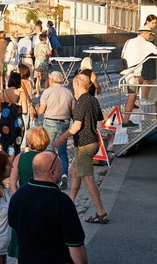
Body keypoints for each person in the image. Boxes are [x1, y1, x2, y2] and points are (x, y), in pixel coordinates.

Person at [8, 151, 87, 264]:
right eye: (61, 166)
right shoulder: (62, 201)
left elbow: (13, 223)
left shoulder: (18, 196)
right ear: (53, 172)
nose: (64, 169)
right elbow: (75, 245)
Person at [54, 74, 108, 224]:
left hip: (84, 145)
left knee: (88, 178)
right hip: (92, 142)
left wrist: (61, 138)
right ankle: (69, 205)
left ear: (78, 84)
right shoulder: (93, 100)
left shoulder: (81, 102)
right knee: (73, 171)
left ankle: (101, 212)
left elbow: (76, 126)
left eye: (73, 85)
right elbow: (98, 121)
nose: (73, 88)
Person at [7, 127, 51, 260]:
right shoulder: (49, 158)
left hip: (24, 202)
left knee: (20, 246)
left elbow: (12, 184)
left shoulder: (20, 157)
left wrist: (18, 197)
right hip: (44, 202)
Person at [121, 25, 157, 126]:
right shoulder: (145, 44)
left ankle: (141, 100)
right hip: (133, 74)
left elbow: (122, 55)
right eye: (150, 33)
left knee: (143, 80)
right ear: (144, 33)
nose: (151, 36)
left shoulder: (129, 41)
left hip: (126, 72)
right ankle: (125, 121)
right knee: (132, 97)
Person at [39, 71, 75, 190]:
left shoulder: (47, 92)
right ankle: (64, 174)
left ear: (51, 80)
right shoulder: (68, 92)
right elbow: (73, 110)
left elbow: (41, 110)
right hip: (64, 123)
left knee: (49, 150)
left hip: (50, 121)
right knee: (63, 152)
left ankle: (50, 176)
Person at [0, 72, 22, 156]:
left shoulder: (2, 93)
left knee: (5, 139)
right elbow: (25, 110)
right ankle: (14, 158)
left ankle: (5, 157)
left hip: (5, 119)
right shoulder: (20, 93)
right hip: (17, 121)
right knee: (16, 140)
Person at [140, 14, 157, 102]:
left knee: (150, 78)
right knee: (147, 78)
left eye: (155, 23)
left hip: (151, 56)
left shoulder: (151, 31)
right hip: (146, 56)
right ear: (147, 22)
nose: (154, 25)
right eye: (153, 23)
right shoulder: (144, 31)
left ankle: (145, 97)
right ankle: (144, 98)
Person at [33, 32, 51, 96]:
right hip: (44, 62)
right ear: (45, 39)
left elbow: (35, 55)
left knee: (38, 78)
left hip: (37, 63)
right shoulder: (46, 45)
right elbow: (49, 53)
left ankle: (37, 93)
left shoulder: (36, 46)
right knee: (46, 78)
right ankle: (45, 92)